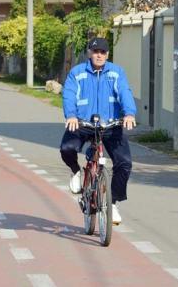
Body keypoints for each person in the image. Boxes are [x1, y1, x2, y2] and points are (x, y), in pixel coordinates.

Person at [60, 37, 136, 224]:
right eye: (95, 52)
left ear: (108, 54)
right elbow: (69, 94)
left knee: (124, 163)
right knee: (66, 149)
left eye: (102, 52)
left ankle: (113, 203)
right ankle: (77, 172)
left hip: (110, 125)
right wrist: (71, 115)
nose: (99, 55)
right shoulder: (77, 73)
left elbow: (125, 92)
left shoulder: (117, 73)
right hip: (82, 123)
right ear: (89, 53)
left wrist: (129, 113)